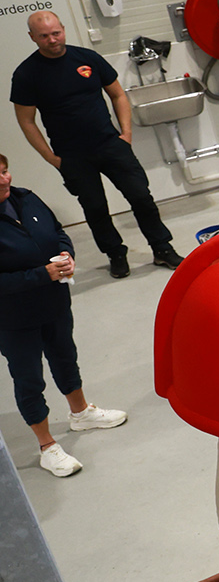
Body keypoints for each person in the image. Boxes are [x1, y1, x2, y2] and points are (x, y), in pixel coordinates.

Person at [12, 12, 182, 278]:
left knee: (141, 198)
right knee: (95, 209)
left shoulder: (87, 58)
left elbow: (117, 94)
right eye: (44, 36)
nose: (52, 40)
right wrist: (51, 158)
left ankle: (161, 248)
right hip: (71, 155)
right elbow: (26, 121)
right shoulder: (26, 74)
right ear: (32, 37)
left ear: (63, 29)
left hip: (110, 144)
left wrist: (125, 134)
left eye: (56, 33)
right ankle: (115, 254)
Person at [0, 153, 126, 477]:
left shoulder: (26, 199)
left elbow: (57, 230)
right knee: (29, 379)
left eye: (4, 171)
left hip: (54, 304)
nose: (4, 180)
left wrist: (66, 253)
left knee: (65, 357)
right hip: (14, 319)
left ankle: (81, 413)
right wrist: (43, 274)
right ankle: (46, 446)